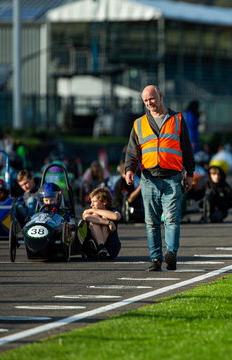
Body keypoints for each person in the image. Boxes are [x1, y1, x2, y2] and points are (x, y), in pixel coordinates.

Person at [124, 85, 195, 272]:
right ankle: (155, 259)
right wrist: (129, 170)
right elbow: (132, 151)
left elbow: (187, 149)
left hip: (173, 178)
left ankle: (171, 254)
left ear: (160, 96)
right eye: (146, 101)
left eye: (152, 99)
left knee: (171, 219)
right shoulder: (139, 123)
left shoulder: (178, 119)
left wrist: (190, 174)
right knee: (151, 222)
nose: (149, 103)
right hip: (148, 179)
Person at [81, 187, 121, 260]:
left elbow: (115, 216)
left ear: (104, 202)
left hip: (111, 249)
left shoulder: (113, 210)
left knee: (104, 217)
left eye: (95, 201)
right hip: (92, 250)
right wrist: (108, 222)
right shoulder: (90, 212)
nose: (91, 205)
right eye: (91, 202)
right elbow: (86, 216)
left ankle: (101, 248)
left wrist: (96, 212)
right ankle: (101, 247)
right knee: (95, 219)